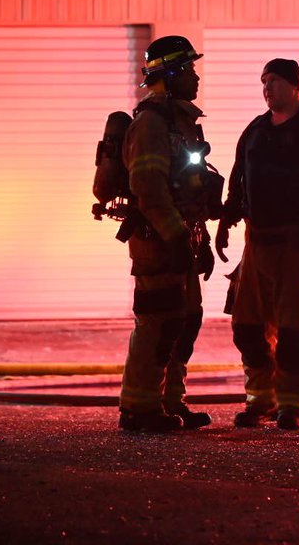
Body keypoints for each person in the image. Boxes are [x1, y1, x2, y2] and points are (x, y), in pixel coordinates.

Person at [216, 58, 299, 430]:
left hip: (298, 243)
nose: (266, 89)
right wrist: (227, 221)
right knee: (248, 327)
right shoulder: (255, 130)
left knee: (297, 330)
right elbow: (239, 179)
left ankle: (297, 406)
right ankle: (261, 401)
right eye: (263, 82)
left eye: (272, 81)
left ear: (294, 85)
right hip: (258, 243)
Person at [118, 35, 220, 432]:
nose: (196, 77)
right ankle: (139, 408)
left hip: (183, 237)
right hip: (157, 242)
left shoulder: (182, 122)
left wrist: (202, 241)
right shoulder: (150, 124)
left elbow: (190, 189)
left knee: (185, 320)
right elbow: (148, 187)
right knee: (159, 321)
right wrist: (175, 236)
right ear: (173, 73)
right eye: (190, 69)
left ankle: (170, 402)